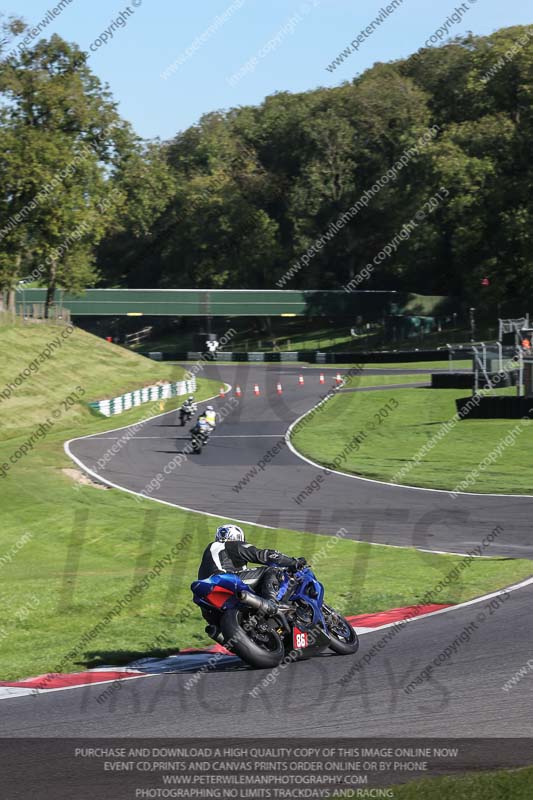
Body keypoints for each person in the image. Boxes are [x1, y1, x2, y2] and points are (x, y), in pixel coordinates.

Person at [197, 524, 306, 641]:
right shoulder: (230, 544)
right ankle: (271, 602)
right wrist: (293, 562)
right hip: (226, 580)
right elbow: (264, 555)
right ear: (237, 536)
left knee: (215, 627)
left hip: (209, 602)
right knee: (272, 570)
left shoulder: (209, 555)